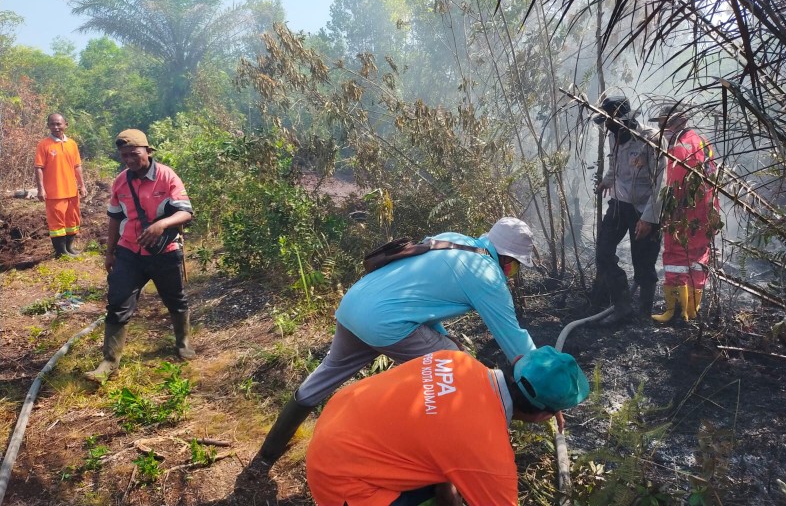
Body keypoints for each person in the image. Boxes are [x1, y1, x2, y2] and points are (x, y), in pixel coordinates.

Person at [257, 217, 539, 466]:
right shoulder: (487, 276)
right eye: (515, 267)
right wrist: (546, 382)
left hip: (353, 306)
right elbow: (513, 338)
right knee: (457, 365)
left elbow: (419, 298)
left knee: (328, 372)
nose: (512, 273)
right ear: (506, 259)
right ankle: (438, 451)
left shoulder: (453, 239)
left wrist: (441, 335)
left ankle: (269, 451)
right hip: (386, 324)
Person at [305, 346, 590, 506]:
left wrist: (448, 495)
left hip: (337, 422)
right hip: (340, 481)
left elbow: (439, 429)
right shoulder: (488, 452)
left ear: (517, 363)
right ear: (542, 416)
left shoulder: (456, 360)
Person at [85, 129, 195, 383]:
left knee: (175, 299)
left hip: (164, 252)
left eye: (134, 154)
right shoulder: (120, 181)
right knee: (118, 301)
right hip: (129, 252)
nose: (129, 159)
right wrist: (110, 252)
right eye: (124, 155)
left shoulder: (166, 176)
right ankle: (109, 362)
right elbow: (115, 219)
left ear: (147, 151)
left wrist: (161, 225)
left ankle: (183, 342)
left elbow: (186, 212)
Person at [591, 95, 665, 325]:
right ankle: (622, 305)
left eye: (610, 122)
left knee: (643, 262)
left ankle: (644, 313)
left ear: (626, 121)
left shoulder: (651, 139)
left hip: (645, 208)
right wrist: (607, 181)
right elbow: (615, 164)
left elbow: (662, 184)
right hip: (618, 204)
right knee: (603, 253)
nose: (608, 128)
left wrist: (649, 219)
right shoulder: (614, 135)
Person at [649, 100, 720, 324]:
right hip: (706, 210)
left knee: (676, 256)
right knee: (698, 257)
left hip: (685, 213)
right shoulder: (701, 140)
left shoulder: (681, 146)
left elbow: (677, 185)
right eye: (661, 124)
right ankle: (692, 310)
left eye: (666, 123)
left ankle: (674, 311)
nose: (663, 129)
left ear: (681, 121)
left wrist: (671, 212)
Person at [34, 113, 87, 257]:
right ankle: (61, 252)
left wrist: (82, 185)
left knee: (72, 220)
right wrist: (41, 189)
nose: (56, 127)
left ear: (66, 125)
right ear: (48, 126)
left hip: (72, 191)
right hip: (54, 192)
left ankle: (69, 248)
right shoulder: (43, 145)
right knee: (57, 223)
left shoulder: (72, 144)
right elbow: (38, 167)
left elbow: (77, 166)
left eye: (58, 124)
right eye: (52, 124)